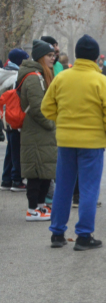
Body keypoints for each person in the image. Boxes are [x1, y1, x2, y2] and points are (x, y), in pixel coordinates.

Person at [41, 34, 106, 250]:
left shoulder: (62, 78)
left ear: (76, 55)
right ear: (97, 58)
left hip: (66, 141)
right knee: (88, 190)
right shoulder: (101, 81)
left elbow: (46, 108)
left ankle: (57, 234)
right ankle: (84, 237)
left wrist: (63, 122)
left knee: (63, 187)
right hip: (93, 143)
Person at [19, 40, 57, 221]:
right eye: (50, 56)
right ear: (41, 57)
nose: (53, 58)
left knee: (45, 170)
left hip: (41, 133)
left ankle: (40, 206)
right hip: (37, 132)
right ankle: (32, 209)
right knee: (35, 171)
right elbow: (37, 108)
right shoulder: (34, 78)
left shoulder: (40, 75)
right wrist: (51, 124)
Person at [1, 49, 27, 192]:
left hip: (5, 116)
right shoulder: (15, 76)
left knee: (11, 149)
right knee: (16, 149)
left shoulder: (3, 73)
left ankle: (6, 179)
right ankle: (16, 180)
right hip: (15, 116)